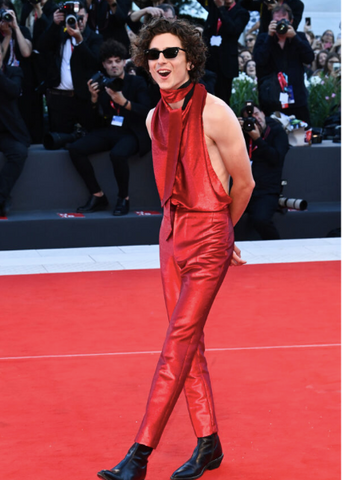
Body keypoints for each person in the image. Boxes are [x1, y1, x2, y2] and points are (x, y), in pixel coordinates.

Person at [96, 17, 255, 480]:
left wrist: (225, 235)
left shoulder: (217, 112)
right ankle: (208, 444)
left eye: (171, 53)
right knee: (189, 347)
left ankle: (139, 455)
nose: (161, 61)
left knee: (176, 343)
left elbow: (243, 182)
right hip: (170, 237)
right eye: (154, 54)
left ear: (190, 58)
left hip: (208, 236)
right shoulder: (152, 117)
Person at [68, 39, 151, 215]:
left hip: (132, 132)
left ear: (123, 62)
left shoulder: (137, 83)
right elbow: (91, 124)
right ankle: (97, 195)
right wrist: (93, 100)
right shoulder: (102, 85)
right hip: (110, 131)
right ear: (104, 65)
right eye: (109, 62)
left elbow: (147, 111)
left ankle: (123, 198)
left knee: (118, 154)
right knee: (75, 149)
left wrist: (125, 103)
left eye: (117, 61)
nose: (113, 65)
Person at [38, 0, 103, 134]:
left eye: (81, 17)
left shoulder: (95, 38)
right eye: (73, 17)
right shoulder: (59, 34)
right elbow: (42, 47)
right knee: (59, 141)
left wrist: (80, 40)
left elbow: (94, 63)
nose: (77, 21)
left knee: (83, 142)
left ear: (87, 17)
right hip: (58, 99)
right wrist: (54, 24)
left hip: (82, 99)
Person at [254, 3, 314, 124]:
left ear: (291, 21)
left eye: (283, 21)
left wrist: (295, 37)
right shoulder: (263, 38)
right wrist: (269, 37)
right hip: (272, 97)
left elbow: (309, 58)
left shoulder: (300, 37)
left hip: (296, 96)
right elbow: (260, 60)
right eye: (276, 21)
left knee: (301, 134)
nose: (280, 25)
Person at [238, 102, 289, 239]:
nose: (255, 118)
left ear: (263, 114)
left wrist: (258, 139)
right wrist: (232, 127)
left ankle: (277, 248)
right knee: (222, 217)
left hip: (266, 192)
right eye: (249, 117)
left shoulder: (277, 132)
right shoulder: (243, 134)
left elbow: (276, 158)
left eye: (256, 113)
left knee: (260, 219)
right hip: (243, 190)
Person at [198, 0, 249, 105]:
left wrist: (221, 9)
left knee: (223, 98)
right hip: (210, 60)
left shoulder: (242, 12)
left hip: (226, 62)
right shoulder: (214, 9)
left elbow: (233, 30)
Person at [0, 46, 30, 217]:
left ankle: (1, 197)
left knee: (19, 152)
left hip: (9, 132)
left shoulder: (14, 72)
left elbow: (14, 91)